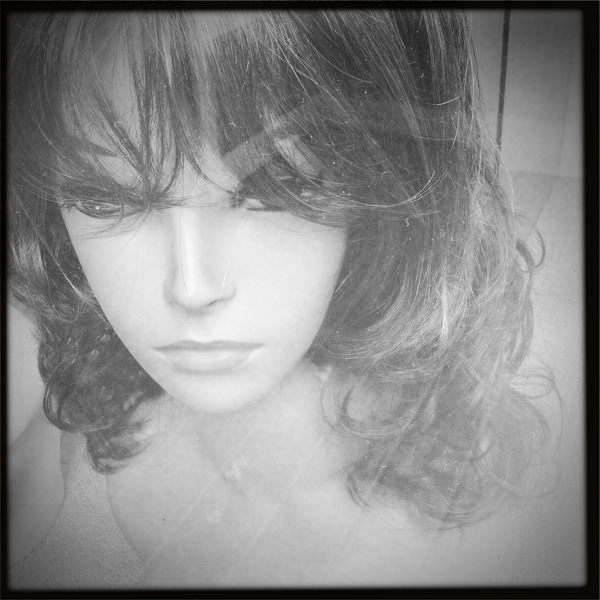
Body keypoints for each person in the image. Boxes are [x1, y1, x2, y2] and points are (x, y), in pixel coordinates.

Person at [8, 9, 559, 588]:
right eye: (107, 200)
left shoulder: (467, 545)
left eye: (281, 186)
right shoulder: (132, 419)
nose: (192, 288)